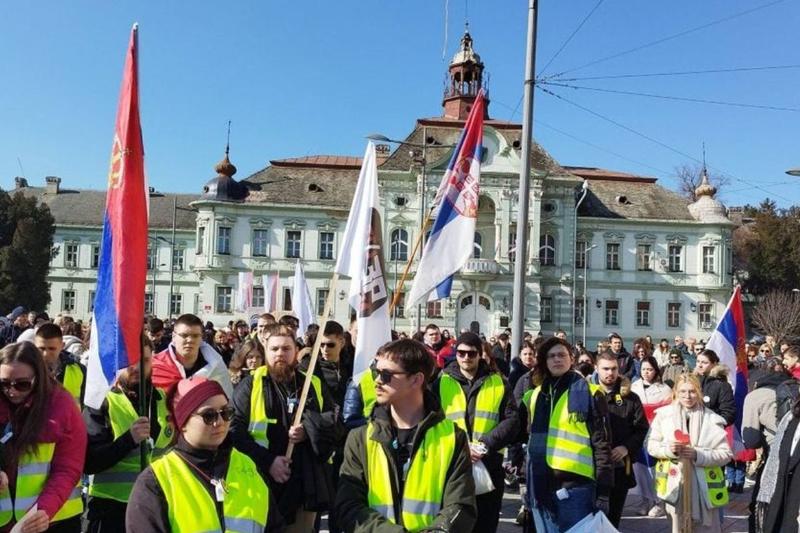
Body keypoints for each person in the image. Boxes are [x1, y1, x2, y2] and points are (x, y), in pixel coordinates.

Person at [336, 338, 477, 531]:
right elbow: (348, 506)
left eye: (386, 375)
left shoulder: (452, 438)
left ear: (416, 379)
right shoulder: (361, 438)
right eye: (376, 372)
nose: (377, 380)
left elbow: (460, 506)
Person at [126, 377, 282, 532]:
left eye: (226, 412)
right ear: (183, 423)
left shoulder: (249, 467)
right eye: (209, 415)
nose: (220, 422)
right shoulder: (156, 480)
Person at [230, 331, 341, 532]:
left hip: (303, 484)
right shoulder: (251, 384)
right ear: (265, 351)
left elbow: (334, 422)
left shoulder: (312, 383)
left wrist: (308, 430)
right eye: (274, 349)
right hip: (260, 479)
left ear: (296, 351)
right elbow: (234, 430)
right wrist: (269, 461)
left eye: (286, 348)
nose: (280, 353)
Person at [83, 333, 172, 532]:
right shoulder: (102, 402)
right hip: (111, 508)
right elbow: (90, 462)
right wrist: (129, 439)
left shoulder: (164, 400)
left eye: (145, 360)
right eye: (130, 361)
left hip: (155, 506)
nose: (138, 368)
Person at [523, 337, 613, 532]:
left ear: (571, 359)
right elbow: (530, 439)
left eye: (562, 355)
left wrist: (604, 491)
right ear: (544, 361)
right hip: (541, 483)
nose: (557, 359)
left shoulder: (592, 393)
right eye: (551, 356)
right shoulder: (536, 395)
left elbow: (602, 444)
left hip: (577, 486)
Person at [434, 332, 518, 533]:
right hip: (453, 464)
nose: (466, 358)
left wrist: (484, 445)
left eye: (471, 353)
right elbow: (432, 422)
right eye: (461, 353)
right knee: (453, 524)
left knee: (485, 524)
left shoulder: (499, 382)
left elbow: (512, 421)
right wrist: (461, 447)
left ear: (480, 355)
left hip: (488, 463)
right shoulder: (441, 381)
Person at [0, 341, 87, 533]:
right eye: (4, 383)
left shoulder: (62, 408)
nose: (11, 391)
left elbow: (68, 469)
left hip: (53, 520)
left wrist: (42, 512)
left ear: (38, 379)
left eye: (22, 384)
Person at [647, 373, 731, 533]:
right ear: (676, 392)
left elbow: (726, 454)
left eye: (692, 391)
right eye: (683, 391)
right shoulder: (663, 416)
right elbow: (652, 446)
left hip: (704, 490)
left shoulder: (712, 419)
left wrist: (699, 455)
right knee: (678, 526)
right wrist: (669, 450)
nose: (687, 396)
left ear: (699, 392)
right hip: (675, 487)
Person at [595, 351, 649, 528]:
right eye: (605, 369)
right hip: (591, 467)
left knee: (613, 518)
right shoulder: (587, 395)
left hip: (619, 468)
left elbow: (641, 429)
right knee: (590, 519)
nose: (610, 373)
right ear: (596, 368)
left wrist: (626, 447)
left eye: (613, 369)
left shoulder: (631, 398)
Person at [630, 356, 673, 518]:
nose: (646, 372)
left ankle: (659, 502)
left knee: (655, 469)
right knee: (640, 469)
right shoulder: (634, 387)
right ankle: (645, 500)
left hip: (656, 433)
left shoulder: (665, 389)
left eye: (649, 369)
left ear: (655, 371)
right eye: (643, 369)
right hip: (638, 433)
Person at [151, 314, 233, 399]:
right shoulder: (156, 366)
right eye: (184, 335)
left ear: (201, 338)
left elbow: (227, 400)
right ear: (173, 336)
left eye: (195, 336)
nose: (190, 340)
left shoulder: (216, 366)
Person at [33, 323, 86, 406]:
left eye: (52, 349)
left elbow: (86, 404)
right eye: (41, 348)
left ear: (62, 346)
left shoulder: (78, 370)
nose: (46, 354)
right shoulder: (26, 370)